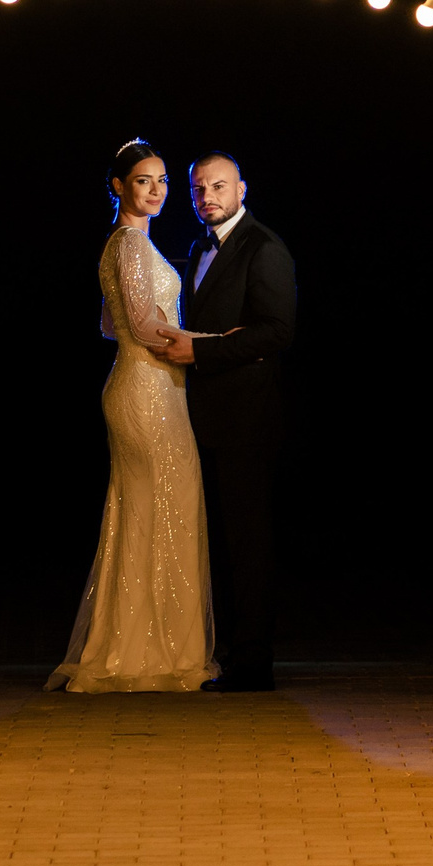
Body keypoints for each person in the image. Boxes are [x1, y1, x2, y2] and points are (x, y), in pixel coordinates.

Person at [47, 140, 220, 693]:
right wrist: (213, 342)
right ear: (119, 186)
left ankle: (142, 646)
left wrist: (146, 332)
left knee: (150, 511)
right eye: (144, 180)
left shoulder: (132, 245)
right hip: (145, 390)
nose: (157, 190)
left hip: (147, 385)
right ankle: (146, 653)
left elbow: (108, 324)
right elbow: (144, 329)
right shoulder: (127, 244)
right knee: (161, 508)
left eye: (164, 180)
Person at [151, 152, 295, 692]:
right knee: (219, 540)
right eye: (197, 189)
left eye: (217, 186)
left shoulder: (264, 247)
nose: (206, 196)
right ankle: (225, 651)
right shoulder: (198, 248)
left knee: (248, 540)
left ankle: (254, 662)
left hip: (247, 419)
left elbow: (278, 331)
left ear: (241, 188)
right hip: (205, 416)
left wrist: (203, 354)